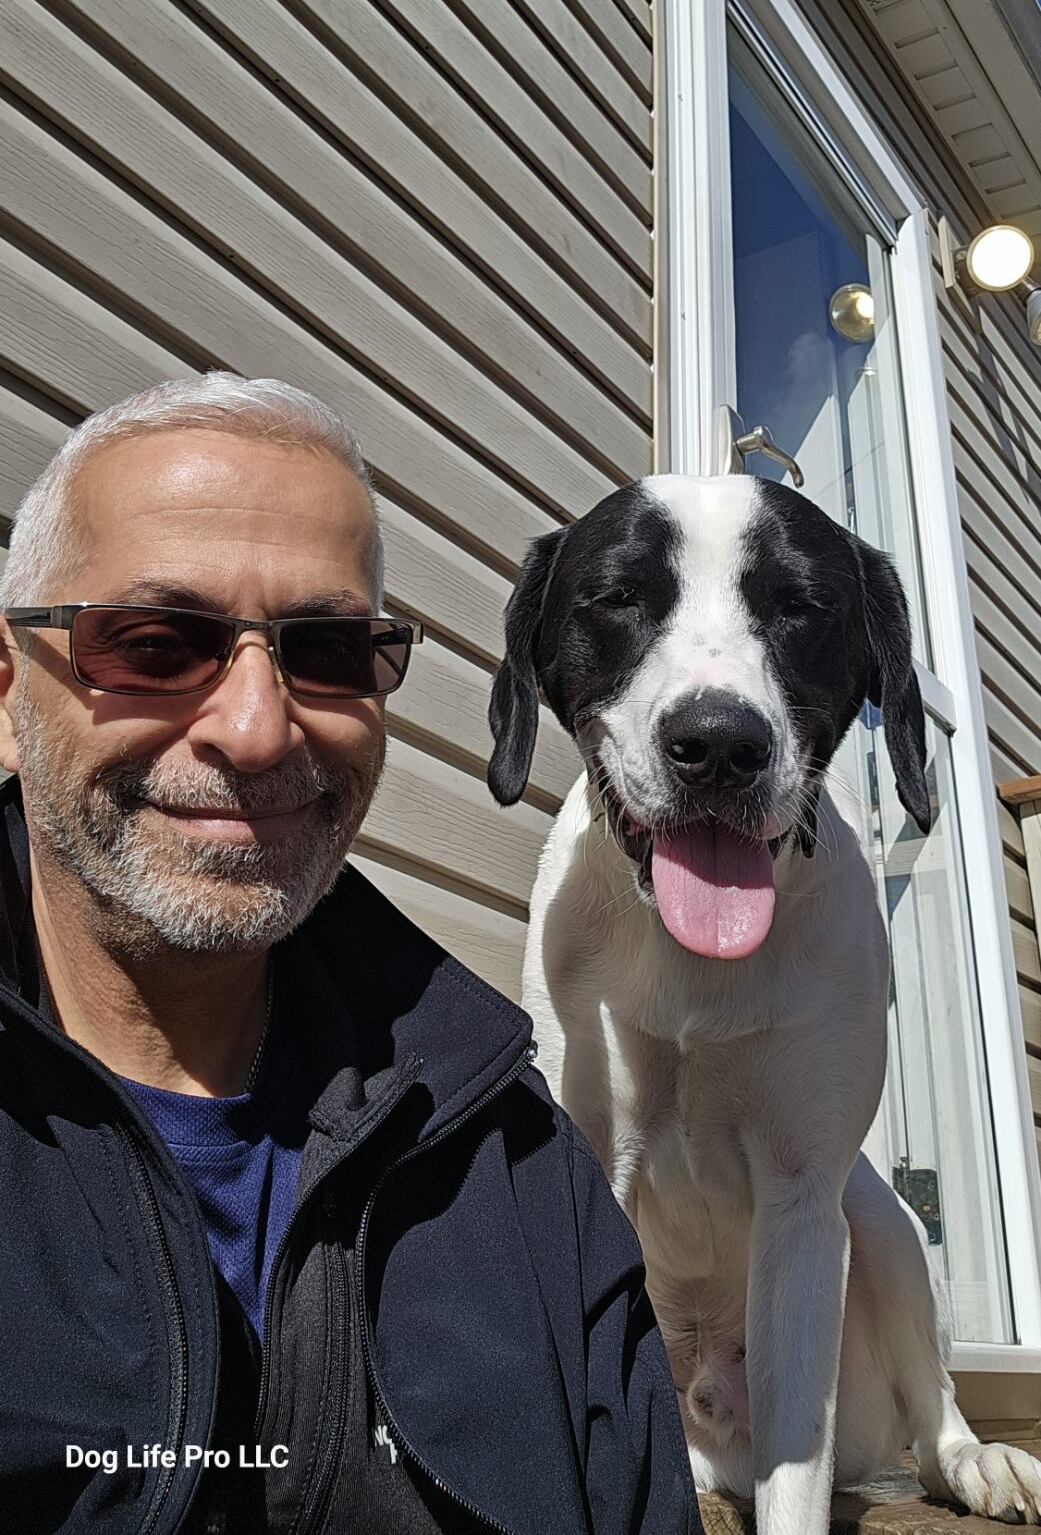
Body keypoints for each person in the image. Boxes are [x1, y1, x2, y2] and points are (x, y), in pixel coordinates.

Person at [0, 372, 699, 1535]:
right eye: (160, 641)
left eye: (326, 648)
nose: (258, 726)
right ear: (10, 693)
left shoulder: (518, 1165)